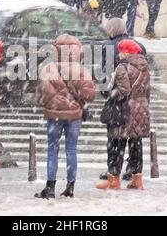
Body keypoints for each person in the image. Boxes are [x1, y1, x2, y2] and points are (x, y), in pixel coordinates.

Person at [36, 34, 96, 199]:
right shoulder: (82, 70)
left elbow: (42, 93)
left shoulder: (48, 69)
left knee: (52, 150)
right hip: (74, 116)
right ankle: (70, 187)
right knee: (71, 150)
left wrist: (52, 101)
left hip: (54, 115)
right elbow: (90, 95)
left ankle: (50, 187)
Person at [96, 39, 150, 190]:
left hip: (124, 110)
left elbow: (124, 91)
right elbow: (146, 91)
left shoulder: (122, 67)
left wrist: (111, 95)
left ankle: (113, 180)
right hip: (140, 109)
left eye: (120, 51)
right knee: (136, 145)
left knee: (116, 145)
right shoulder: (144, 66)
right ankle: (137, 179)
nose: (119, 54)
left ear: (126, 52)